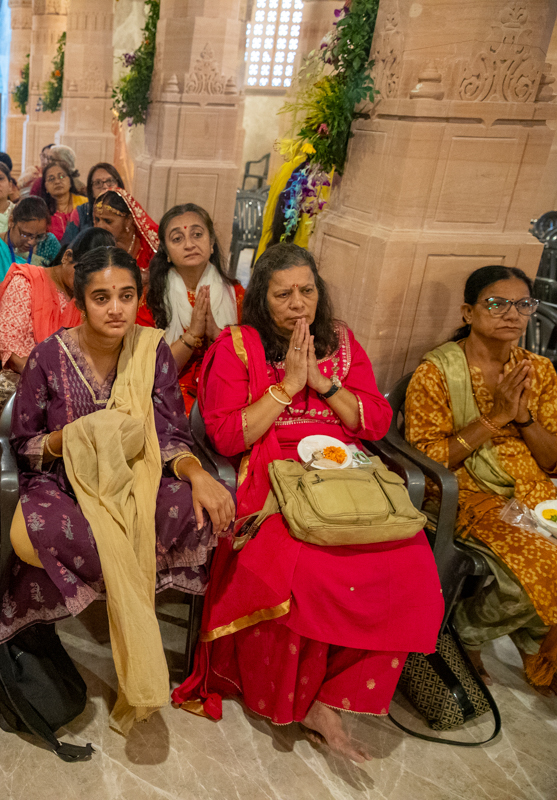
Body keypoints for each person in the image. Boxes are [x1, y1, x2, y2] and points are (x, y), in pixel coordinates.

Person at [172, 243, 444, 763]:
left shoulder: (338, 341)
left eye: (308, 290)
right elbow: (228, 437)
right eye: (283, 294)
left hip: (346, 473)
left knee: (409, 567)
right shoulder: (238, 346)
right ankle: (293, 696)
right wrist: (288, 388)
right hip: (272, 474)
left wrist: (324, 383)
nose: (299, 303)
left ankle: (331, 693)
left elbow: (377, 422)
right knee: (311, 567)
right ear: (260, 300)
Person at [0, 245, 234, 734]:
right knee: (35, 533)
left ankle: (154, 629)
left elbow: (169, 433)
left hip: (137, 474)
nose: (115, 308)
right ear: (81, 302)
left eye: (126, 295)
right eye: (101, 297)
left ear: (138, 298)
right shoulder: (47, 356)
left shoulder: (153, 350)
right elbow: (24, 443)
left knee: (198, 511)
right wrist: (77, 438)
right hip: (63, 481)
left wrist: (198, 473)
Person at [405, 265, 557, 693]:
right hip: (470, 495)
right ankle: (468, 630)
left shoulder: (539, 372)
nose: (512, 313)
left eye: (523, 304)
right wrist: (495, 418)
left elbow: (553, 461)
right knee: (547, 566)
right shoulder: (436, 373)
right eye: (497, 303)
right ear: (469, 313)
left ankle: (533, 636)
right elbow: (428, 461)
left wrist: (523, 416)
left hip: (535, 491)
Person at [0, 226, 115, 407]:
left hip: (72, 380)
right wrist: (54, 381)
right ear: (67, 257)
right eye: (83, 276)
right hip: (24, 373)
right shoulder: (26, 282)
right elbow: (10, 352)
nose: (85, 285)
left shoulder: (88, 299)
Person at [142, 203, 243, 413]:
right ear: (166, 252)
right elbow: (148, 371)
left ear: (212, 243)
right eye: (177, 239)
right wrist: (192, 335)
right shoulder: (149, 300)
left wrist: (216, 334)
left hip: (225, 391)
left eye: (197, 235)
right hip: (168, 393)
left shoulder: (238, 295)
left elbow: (250, 363)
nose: (189, 244)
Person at [91, 187, 160, 277]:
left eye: (107, 221)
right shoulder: (94, 246)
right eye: (97, 219)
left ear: (128, 221)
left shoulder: (151, 248)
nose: (99, 226)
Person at [60, 162, 125, 244]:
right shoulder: (81, 213)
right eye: (98, 183)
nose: (105, 186)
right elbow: (67, 248)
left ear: (118, 184)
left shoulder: (128, 212)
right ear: (91, 191)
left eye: (110, 181)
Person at [42, 159, 87, 240]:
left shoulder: (84, 204)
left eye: (61, 176)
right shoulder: (43, 211)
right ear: (46, 187)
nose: (57, 181)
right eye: (51, 179)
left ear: (70, 181)